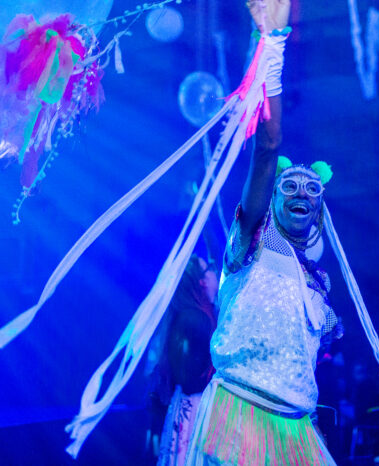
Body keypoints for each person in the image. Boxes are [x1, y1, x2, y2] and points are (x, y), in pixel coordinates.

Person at [183, 1, 348, 463]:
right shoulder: (254, 240)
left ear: (318, 209)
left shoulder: (319, 283)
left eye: (309, 187)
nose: (299, 190)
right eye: (288, 185)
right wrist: (271, 45)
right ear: (272, 201)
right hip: (240, 415)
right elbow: (268, 146)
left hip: (297, 428)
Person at [154, 254, 219, 466]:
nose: (214, 271)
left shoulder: (187, 316)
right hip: (198, 412)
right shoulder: (195, 320)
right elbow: (193, 380)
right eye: (209, 268)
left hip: (186, 408)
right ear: (202, 281)